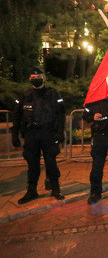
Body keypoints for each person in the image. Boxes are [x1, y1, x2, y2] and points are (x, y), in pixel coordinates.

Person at [11, 67, 66, 204]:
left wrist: (60, 132)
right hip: (31, 134)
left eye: (38, 77)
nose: (36, 80)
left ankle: (55, 189)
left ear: (44, 78)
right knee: (32, 163)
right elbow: (17, 116)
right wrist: (14, 134)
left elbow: (61, 114)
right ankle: (32, 191)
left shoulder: (53, 94)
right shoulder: (25, 95)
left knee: (51, 162)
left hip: (48, 132)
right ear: (30, 79)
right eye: (33, 78)